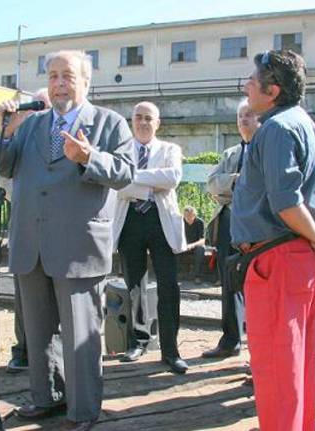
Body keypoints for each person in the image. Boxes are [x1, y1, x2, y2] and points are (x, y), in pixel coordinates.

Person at [0, 50, 135, 431]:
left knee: (80, 336)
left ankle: (84, 410)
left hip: (79, 246)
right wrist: (7, 129)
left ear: (86, 81)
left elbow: (124, 174)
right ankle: (47, 398)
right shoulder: (31, 125)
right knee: (38, 334)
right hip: (31, 243)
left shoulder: (110, 123)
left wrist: (89, 156)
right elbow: (3, 166)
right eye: (53, 75)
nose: (59, 83)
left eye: (67, 76)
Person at [231, 50, 315, 430]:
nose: (247, 84)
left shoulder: (278, 129)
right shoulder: (311, 128)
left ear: (273, 90)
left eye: (253, 79)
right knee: (296, 361)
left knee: (277, 368)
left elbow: (286, 202)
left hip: (277, 260)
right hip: (301, 258)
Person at [113, 101, 188, 374]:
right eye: (138, 118)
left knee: (169, 286)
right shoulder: (120, 152)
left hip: (161, 222)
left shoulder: (171, 150)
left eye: (148, 118)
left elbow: (172, 178)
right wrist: (148, 184)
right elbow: (116, 184)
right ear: (131, 121)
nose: (143, 122)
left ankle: (171, 350)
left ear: (158, 123)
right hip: (130, 222)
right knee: (133, 285)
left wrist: (133, 180)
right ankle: (138, 341)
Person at [203, 97, 260, 359]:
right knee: (228, 284)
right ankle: (230, 340)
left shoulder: (266, 150)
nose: (243, 120)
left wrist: (231, 187)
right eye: (240, 116)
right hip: (228, 223)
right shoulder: (231, 154)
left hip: (256, 227)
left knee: (257, 286)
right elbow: (212, 184)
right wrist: (237, 182)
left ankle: (258, 347)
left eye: (249, 115)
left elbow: (258, 189)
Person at [4, 87, 52, 373]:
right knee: (24, 298)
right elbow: (2, 172)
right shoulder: (20, 135)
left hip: (57, 229)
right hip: (27, 227)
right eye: (34, 106)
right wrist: (7, 126)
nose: (38, 111)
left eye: (42, 105)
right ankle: (22, 350)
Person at [182, 206, 205, 284]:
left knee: (201, 250)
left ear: (194, 215)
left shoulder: (199, 222)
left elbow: (202, 240)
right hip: (183, 244)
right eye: (186, 216)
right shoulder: (181, 222)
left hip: (195, 245)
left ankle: (197, 276)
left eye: (190, 216)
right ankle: (180, 273)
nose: (188, 218)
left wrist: (192, 245)